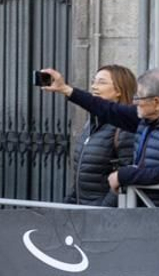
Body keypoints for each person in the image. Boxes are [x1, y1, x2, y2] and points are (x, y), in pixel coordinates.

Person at [39, 65, 159, 206]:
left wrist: (123, 175)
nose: (134, 102)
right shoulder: (147, 115)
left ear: (157, 102)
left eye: (138, 97)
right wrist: (65, 89)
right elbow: (107, 109)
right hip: (147, 209)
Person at [55, 64, 137, 207]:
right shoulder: (91, 124)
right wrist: (69, 204)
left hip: (104, 217)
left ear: (119, 89)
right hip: (82, 211)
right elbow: (82, 175)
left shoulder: (124, 129)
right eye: (94, 81)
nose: (94, 86)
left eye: (102, 82)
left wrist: (102, 209)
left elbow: (126, 176)